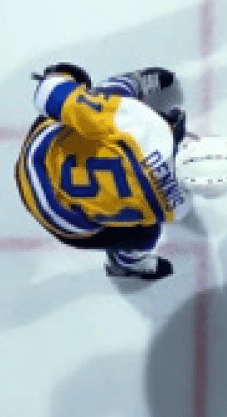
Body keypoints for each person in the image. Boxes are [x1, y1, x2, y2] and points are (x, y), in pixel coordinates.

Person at [14, 63, 189, 281]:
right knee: (145, 235)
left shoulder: (124, 120)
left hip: (39, 156)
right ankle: (127, 261)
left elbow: (48, 93)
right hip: (59, 218)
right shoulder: (177, 207)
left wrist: (61, 77)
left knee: (101, 95)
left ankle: (136, 81)